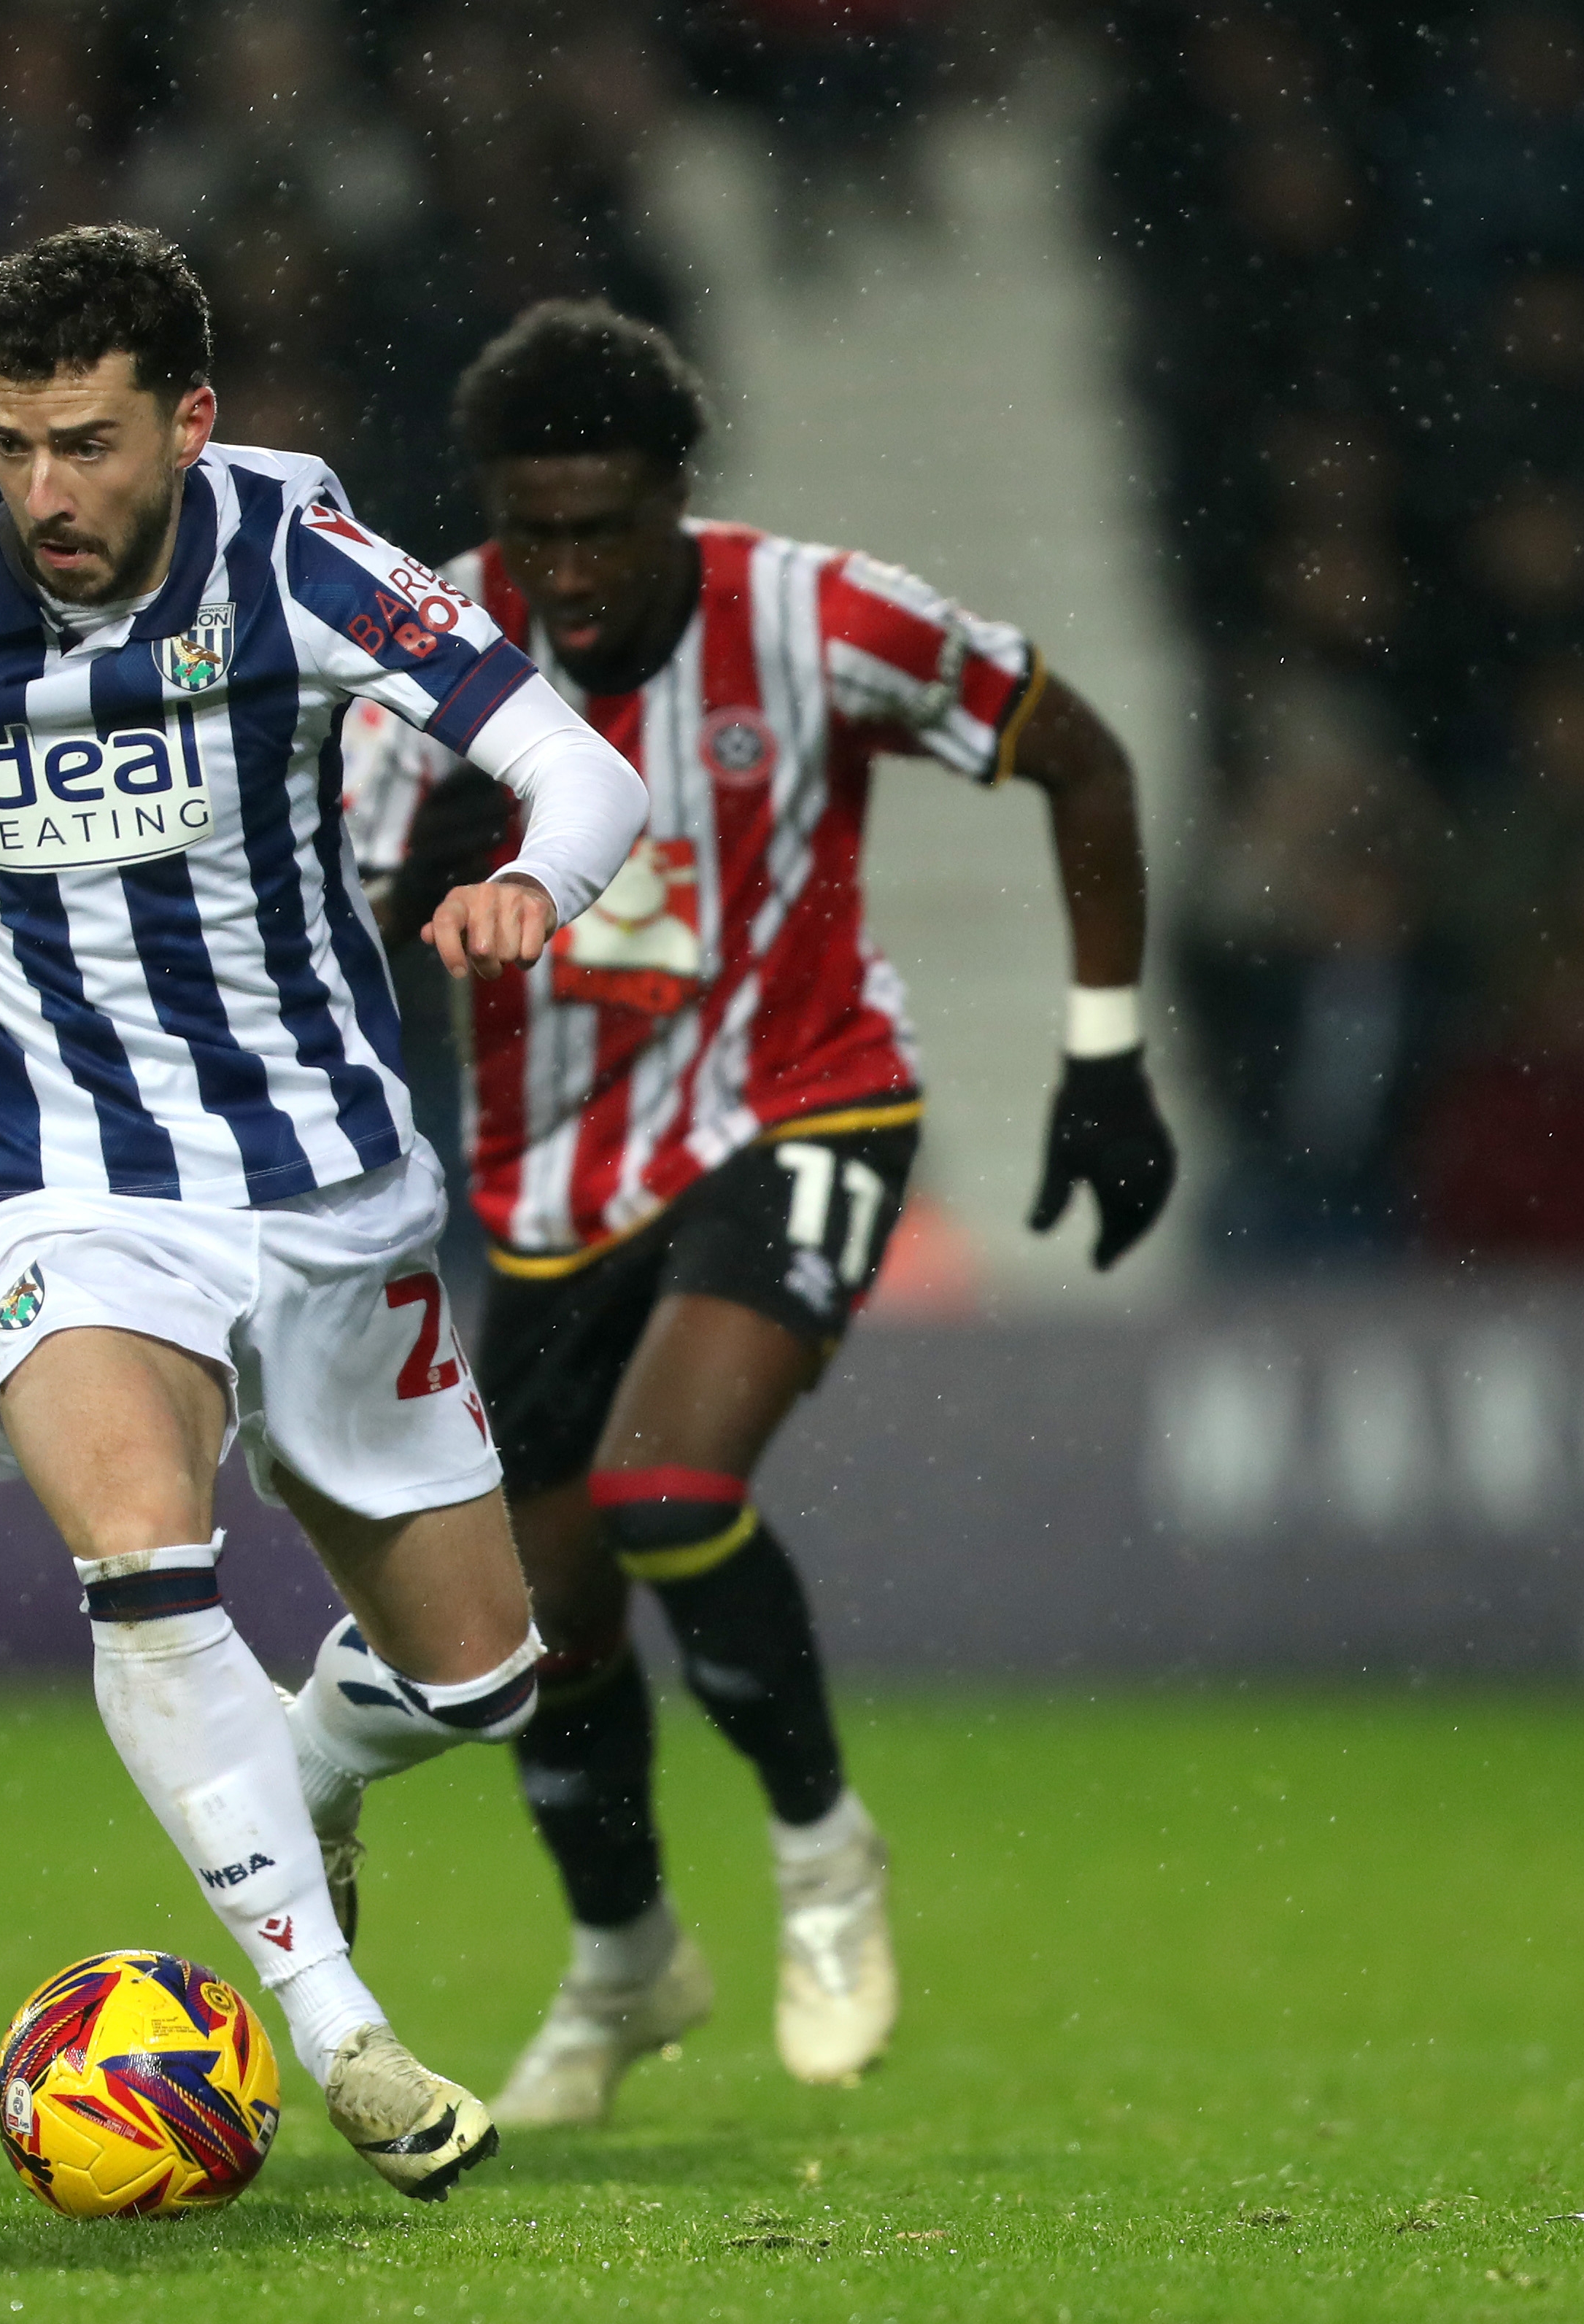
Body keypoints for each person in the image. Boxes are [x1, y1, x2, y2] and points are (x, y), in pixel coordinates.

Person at [0, 225, 649, 2201]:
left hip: (324, 1193)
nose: (45, 490)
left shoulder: (293, 556)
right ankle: (339, 2031)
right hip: (68, 1185)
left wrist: (536, 882)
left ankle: (301, 1773)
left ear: (189, 421)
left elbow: (579, 768)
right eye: (14, 442)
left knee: (482, 1678)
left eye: (91, 444)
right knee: (141, 1553)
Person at [343, 300, 1174, 2124]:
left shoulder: (818, 615)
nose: (563, 567)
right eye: (530, 526)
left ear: (673, 501)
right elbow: (353, 908)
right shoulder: (418, 648)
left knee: (664, 1487)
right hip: (551, 1179)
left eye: (602, 523)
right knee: (536, 1629)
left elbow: (1082, 758)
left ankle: (820, 1859)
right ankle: (624, 1962)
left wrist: (1102, 1059)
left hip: (803, 1098)